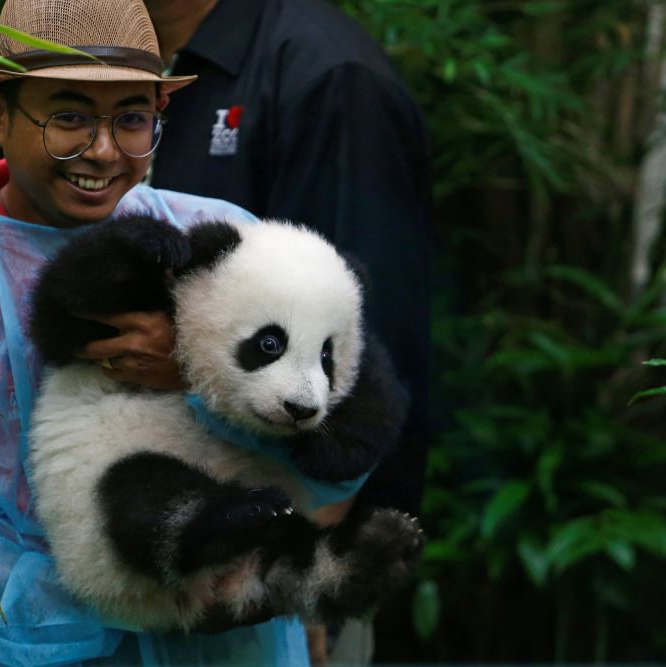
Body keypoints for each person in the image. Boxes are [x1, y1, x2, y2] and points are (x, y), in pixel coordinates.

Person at [0, 0, 313, 665]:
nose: (105, 149)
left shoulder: (227, 245)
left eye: (133, 118)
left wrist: (199, 378)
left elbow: (331, 442)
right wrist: (126, 604)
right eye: (70, 115)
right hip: (3, 649)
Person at [143, 0, 433, 662]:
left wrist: (309, 565)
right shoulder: (144, 60)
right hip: (181, 531)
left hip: (293, 553)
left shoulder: (327, 72)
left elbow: (369, 334)